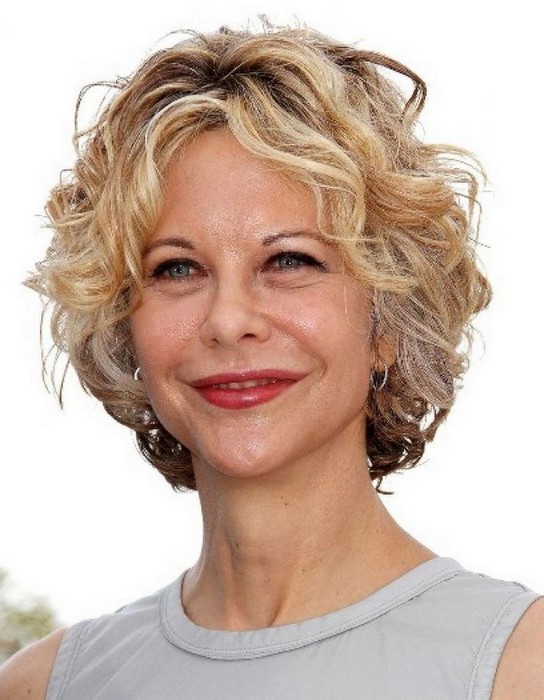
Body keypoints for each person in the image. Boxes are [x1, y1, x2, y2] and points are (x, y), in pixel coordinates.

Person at [1, 22, 543, 700]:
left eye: (289, 260)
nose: (229, 321)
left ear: (390, 319)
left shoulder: (519, 667)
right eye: (176, 268)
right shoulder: (45, 685)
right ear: (122, 324)